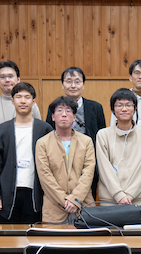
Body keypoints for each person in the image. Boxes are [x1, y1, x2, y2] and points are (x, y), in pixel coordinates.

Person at [0, 82, 53, 223]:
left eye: (27, 97)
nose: (23, 101)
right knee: (9, 238)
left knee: (33, 237)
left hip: (35, 193)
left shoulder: (45, 129)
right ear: (12, 101)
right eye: (18, 97)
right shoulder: (3, 129)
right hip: (8, 193)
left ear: (33, 102)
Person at [45, 67, 105, 199]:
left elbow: (101, 138)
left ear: (83, 85)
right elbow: (49, 135)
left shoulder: (96, 108)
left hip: (87, 165)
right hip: (60, 164)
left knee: (87, 202)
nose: (73, 85)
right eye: (69, 81)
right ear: (62, 85)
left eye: (77, 82)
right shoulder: (54, 108)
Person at [35, 96, 95, 224]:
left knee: (85, 244)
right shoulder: (42, 143)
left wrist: (75, 199)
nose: (63, 114)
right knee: (55, 244)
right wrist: (65, 201)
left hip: (83, 208)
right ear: (52, 117)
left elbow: (88, 173)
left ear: (74, 117)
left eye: (68, 111)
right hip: (54, 210)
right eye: (59, 110)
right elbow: (45, 177)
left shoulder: (86, 141)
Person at [96, 88, 141, 208]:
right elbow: (104, 169)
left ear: (135, 108)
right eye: (119, 105)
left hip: (137, 200)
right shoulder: (103, 134)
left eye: (128, 105)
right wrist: (119, 195)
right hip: (110, 200)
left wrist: (129, 196)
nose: (124, 109)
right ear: (113, 109)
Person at [0, 60, 42, 140]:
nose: (7, 80)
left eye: (10, 76)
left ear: (18, 79)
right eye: (2, 77)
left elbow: (39, 131)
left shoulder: (30, 104)